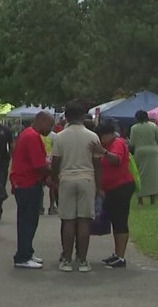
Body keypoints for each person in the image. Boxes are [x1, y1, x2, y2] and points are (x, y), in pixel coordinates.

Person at [50, 102, 105, 272]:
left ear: (66, 117)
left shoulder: (60, 136)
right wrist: (99, 186)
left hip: (66, 178)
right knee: (84, 221)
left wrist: (55, 180)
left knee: (68, 221)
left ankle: (66, 260)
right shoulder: (92, 136)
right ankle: (82, 260)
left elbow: (55, 162)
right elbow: (97, 164)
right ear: (83, 116)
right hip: (87, 179)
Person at [10, 110, 54, 269]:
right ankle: (22, 256)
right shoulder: (33, 137)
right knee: (28, 221)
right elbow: (39, 165)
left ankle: (27, 251)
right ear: (41, 121)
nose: (50, 130)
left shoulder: (27, 134)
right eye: (50, 125)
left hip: (25, 182)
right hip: (28, 183)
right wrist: (54, 174)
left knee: (29, 220)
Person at [97, 119, 135, 268]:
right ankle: (117, 253)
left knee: (120, 221)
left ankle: (121, 256)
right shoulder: (107, 144)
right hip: (111, 188)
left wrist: (104, 152)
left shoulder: (117, 143)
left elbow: (116, 160)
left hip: (121, 187)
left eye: (103, 136)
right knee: (115, 222)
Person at [129, 110, 158, 205]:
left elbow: (132, 143)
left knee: (140, 174)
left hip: (140, 152)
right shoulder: (153, 126)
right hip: (153, 152)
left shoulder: (134, 128)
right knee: (153, 176)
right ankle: (153, 200)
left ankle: (140, 200)